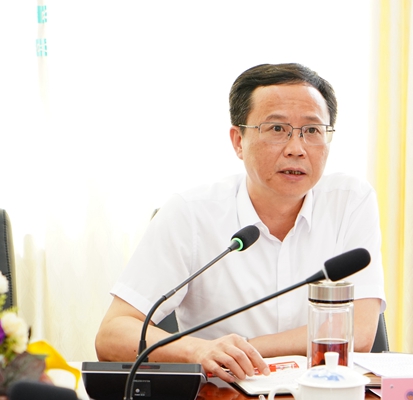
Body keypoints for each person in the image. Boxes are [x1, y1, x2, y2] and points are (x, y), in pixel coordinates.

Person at [95, 63, 386, 383]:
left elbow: (358, 333)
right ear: (238, 141)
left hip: (326, 394)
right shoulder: (191, 213)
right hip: (224, 398)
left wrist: (240, 350)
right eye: (277, 129)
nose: (297, 149)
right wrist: (197, 350)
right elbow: (112, 334)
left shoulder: (351, 202)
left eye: (313, 131)